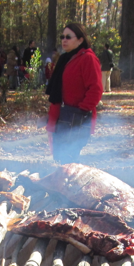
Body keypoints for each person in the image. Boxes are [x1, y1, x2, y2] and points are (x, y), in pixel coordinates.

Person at [45, 22, 102, 164]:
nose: (64, 40)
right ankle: (60, 185)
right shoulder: (65, 58)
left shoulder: (88, 58)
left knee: (68, 160)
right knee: (59, 158)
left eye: (68, 37)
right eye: (62, 36)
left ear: (80, 39)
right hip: (64, 115)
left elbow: (96, 89)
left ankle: (69, 186)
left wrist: (81, 111)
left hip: (77, 117)